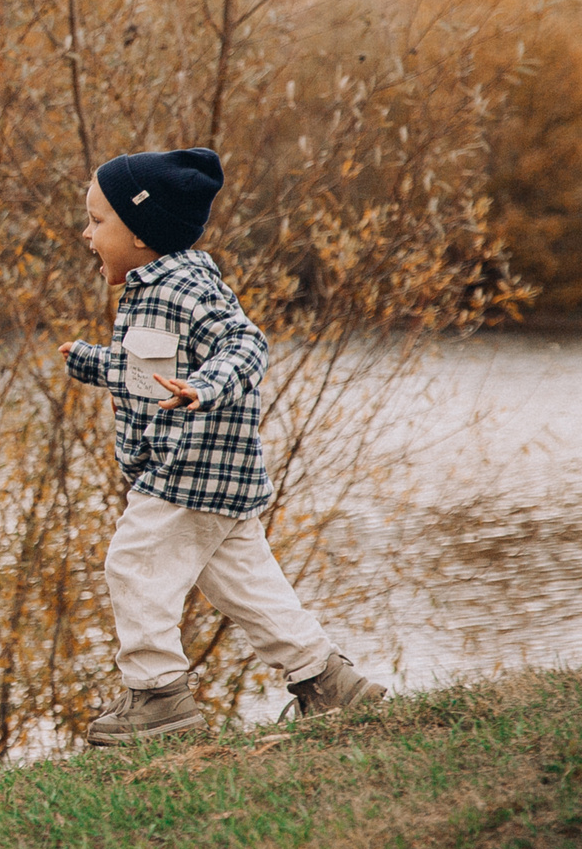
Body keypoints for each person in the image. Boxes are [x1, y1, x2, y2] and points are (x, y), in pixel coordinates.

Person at [60, 147, 385, 745]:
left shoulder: (184, 288)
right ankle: (327, 680)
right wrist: (93, 362)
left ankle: (158, 696)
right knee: (245, 584)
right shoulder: (154, 288)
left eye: (97, 221)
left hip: (190, 467)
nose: (87, 234)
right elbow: (149, 373)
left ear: (141, 232)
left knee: (133, 563)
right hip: (216, 474)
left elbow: (245, 344)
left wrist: (205, 387)